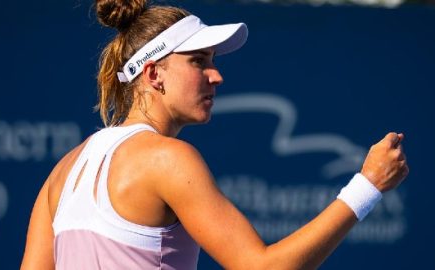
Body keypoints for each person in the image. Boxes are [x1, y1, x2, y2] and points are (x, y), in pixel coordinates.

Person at [20, 0, 409, 269]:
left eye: (213, 62)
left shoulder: (63, 172)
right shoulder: (168, 158)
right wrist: (368, 186)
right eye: (197, 61)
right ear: (154, 74)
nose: (216, 76)